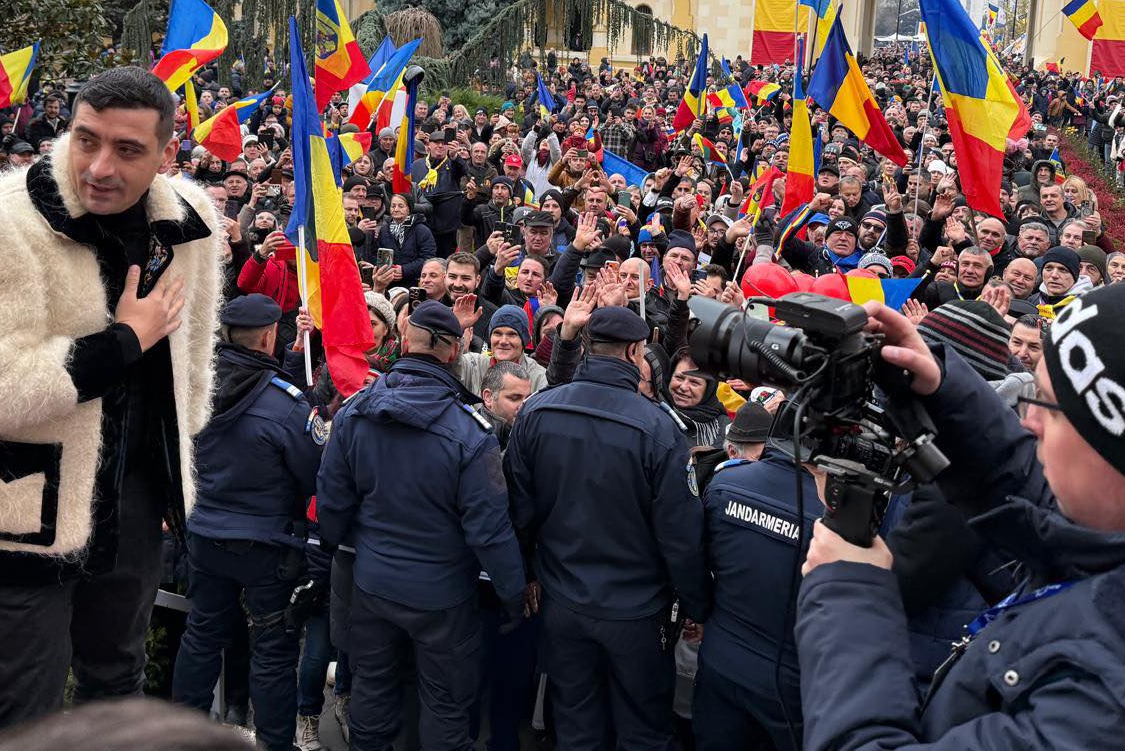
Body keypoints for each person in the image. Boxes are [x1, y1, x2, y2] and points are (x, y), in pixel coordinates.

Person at [795, 278, 1125, 748]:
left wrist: (849, 593)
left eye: (1046, 404)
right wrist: (942, 391)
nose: (1027, 424)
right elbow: (1043, 497)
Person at [0, 66, 223, 735]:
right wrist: (119, 344)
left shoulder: (188, 222)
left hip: (133, 510)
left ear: (167, 152)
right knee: (26, 717)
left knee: (118, 698)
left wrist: (168, 478)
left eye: (128, 150)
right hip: (12, 510)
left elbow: (192, 370)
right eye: (87, 140)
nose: (101, 166)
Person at [316, 300, 526, 751]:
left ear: (405, 333)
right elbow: (489, 530)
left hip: (373, 585)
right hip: (443, 599)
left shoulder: (358, 411)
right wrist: (512, 595)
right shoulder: (471, 432)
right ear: (453, 351)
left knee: (372, 697)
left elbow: (332, 497)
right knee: (445, 711)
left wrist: (332, 548)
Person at [505, 297, 708, 751]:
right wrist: (697, 603)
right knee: (641, 730)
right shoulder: (659, 430)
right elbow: (681, 535)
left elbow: (519, 510)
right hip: (633, 611)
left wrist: (529, 574)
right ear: (637, 353)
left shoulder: (538, 412)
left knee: (577, 724)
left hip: (564, 600)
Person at [172, 294, 325, 750]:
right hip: (267, 547)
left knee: (201, 636)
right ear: (267, 336)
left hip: (204, 535)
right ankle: (275, 743)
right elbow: (314, 472)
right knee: (273, 652)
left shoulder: (193, 388)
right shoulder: (286, 404)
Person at [693, 400, 818, 750]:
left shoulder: (726, 483)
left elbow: (696, 561)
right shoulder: (832, 517)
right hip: (787, 677)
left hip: (722, 655)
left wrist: (699, 612)